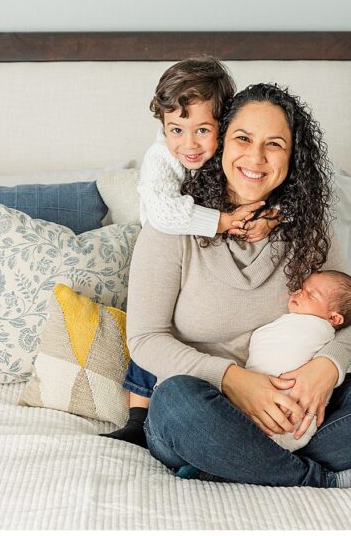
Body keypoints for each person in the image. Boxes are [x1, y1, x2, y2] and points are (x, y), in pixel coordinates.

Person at [127, 83, 351, 488]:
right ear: (219, 145)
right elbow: (146, 339)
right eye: (243, 139)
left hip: (290, 405)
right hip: (204, 404)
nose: (255, 157)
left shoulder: (308, 228)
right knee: (175, 403)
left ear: (292, 157)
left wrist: (326, 368)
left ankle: (232, 463)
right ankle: (315, 478)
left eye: (274, 144)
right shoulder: (172, 227)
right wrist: (236, 381)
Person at [102, 57, 278, 448]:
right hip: (163, 241)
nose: (189, 144)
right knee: (155, 325)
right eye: (175, 130)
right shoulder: (162, 159)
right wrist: (223, 222)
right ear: (162, 128)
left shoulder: (233, 157)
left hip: (204, 248)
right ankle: (138, 415)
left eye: (203, 130)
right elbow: (165, 213)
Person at [247, 270, 351, 453]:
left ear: (333, 318)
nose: (298, 292)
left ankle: (240, 463)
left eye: (310, 294)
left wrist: (329, 364)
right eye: (301, 288)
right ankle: (317, 473)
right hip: (242, 395)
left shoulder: (319, 328)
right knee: (188, 395)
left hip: (297, 418)